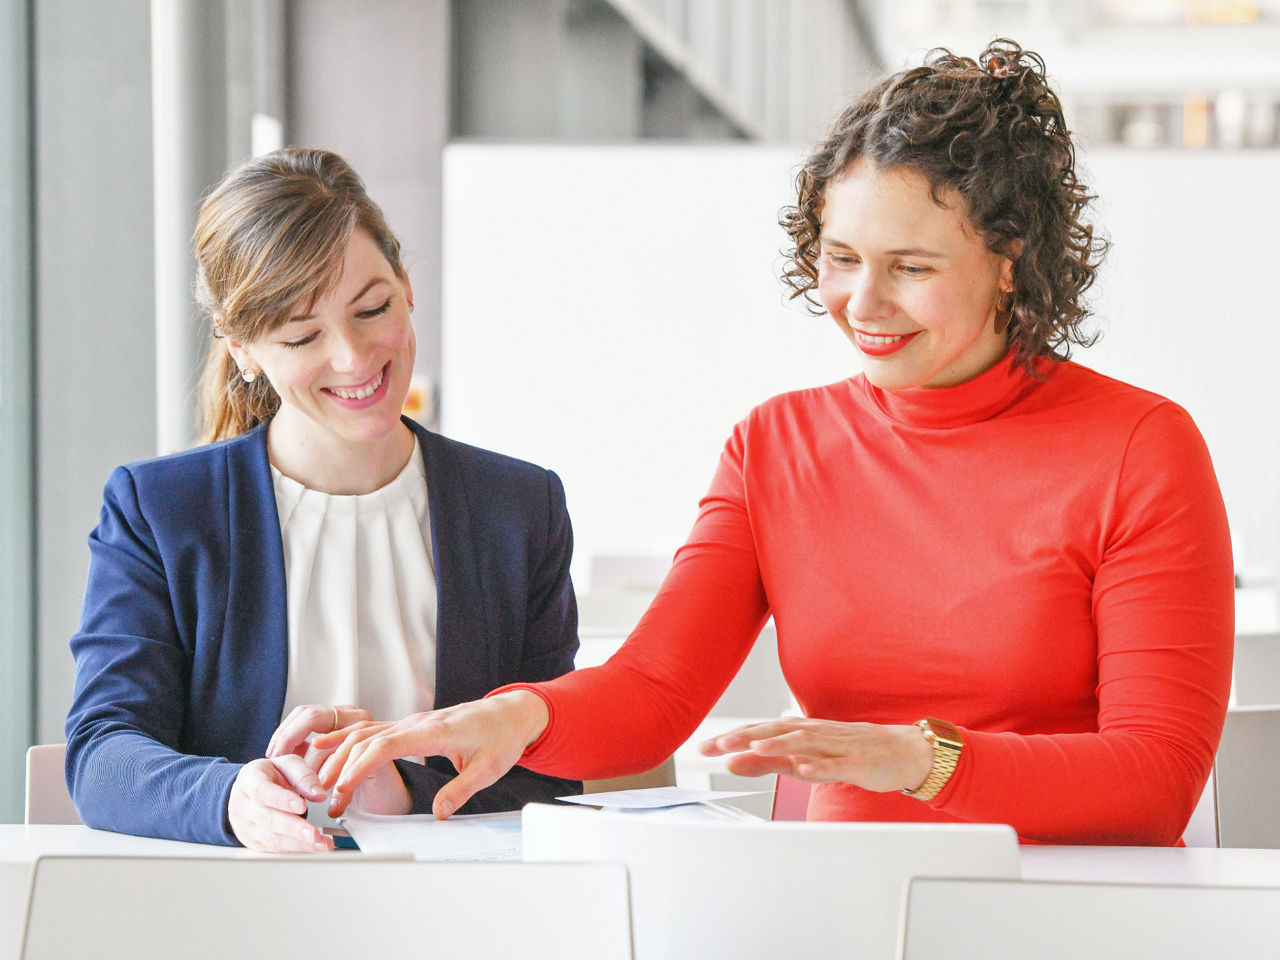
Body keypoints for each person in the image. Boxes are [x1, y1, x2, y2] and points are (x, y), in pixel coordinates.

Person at [317, 41, 1234, 845]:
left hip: (1069, 906)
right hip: (835, 895)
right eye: (840, 259)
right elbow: (656, 691)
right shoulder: (777, 444)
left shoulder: (1139, 448)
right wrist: (516, 717)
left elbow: (1153, 783)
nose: (862, 307)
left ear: (1010, 258)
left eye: (910, 268)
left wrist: (920, 762)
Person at [64, 147, 581, 851]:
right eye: (303, 335)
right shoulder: (160, 512)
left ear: (404, 280)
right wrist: (230, 798)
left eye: (372, 308)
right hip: (239, 916)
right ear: (242, 347)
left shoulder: (520, 509)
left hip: (458, 915)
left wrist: (400, 791)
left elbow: (552, 770)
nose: (353, 357)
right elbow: (102, 757)